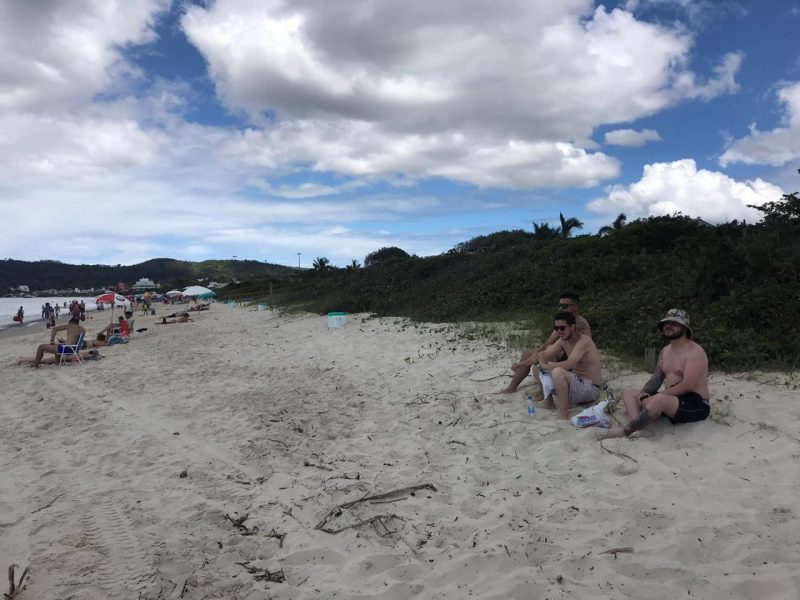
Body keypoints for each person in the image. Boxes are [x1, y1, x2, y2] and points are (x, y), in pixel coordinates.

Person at [605, 309, 710, 438]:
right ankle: (638, 424)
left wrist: (656, 398)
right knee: (629, 393)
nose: (668, 326)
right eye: (666, 323)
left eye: (673, 323)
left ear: (684, 328)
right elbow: (657, 377)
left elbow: (688, 384)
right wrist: (644, 393)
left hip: (695, 403)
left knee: (658, 400)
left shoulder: (695, 351)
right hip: (671, 398)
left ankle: (627, 430)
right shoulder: (665, 351)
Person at [501, 292, 592, 393]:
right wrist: (535, 354)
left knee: (547, 352)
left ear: (575, 307)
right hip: (566, 356)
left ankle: (544, 392)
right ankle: (513, 387)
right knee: (533, 352)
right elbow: (549, 342)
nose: (560, 308)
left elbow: (580, 352)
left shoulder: (579, 323)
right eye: (560, 305)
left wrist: (540, 354)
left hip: (577, 363)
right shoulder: (564, 320)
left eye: (565, 306)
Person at [530, 312, 603, 420]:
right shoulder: (563, 341)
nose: (559, 331)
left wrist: (546, 366)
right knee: (536, 367)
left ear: (572, 327)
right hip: (575, 386)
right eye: (556, 328)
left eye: (562, 328)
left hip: (590, 389)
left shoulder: (584, 341)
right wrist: (523, 364)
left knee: (558, 371)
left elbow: (569, 363)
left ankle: (563, 412)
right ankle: (548, 402)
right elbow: (543, 354)